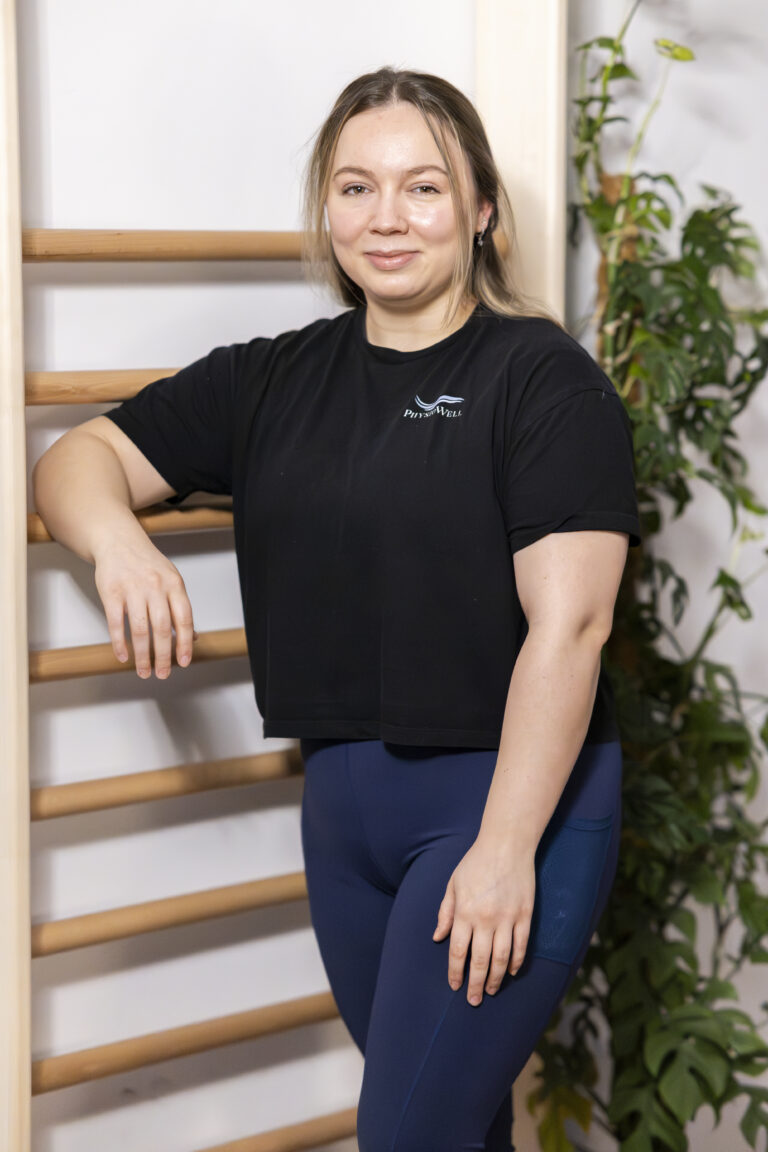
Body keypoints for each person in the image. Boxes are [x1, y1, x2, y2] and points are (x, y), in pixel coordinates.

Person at [33, 67, 642, 1152]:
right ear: (328, 208)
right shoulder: (272, 381)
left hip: (508, 803)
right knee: (456, 1129)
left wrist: (506, 849)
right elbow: (77, 460)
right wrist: (117, 542)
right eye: (357, 187)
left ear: (481, 209)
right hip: (345, 811)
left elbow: (573, 629)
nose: (387, 218)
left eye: (423, 187)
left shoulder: (544, 382)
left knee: (406, 1137)